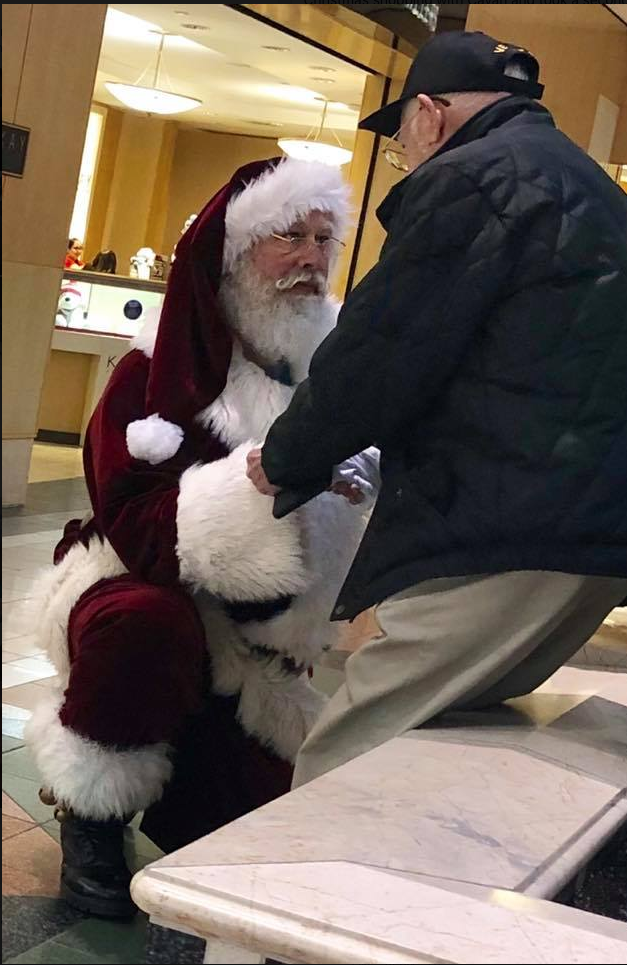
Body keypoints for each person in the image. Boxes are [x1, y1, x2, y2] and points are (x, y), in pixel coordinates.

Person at [247, 31, 627, 788]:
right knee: (443, 733)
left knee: (344, 758)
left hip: (524, 517)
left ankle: (265, 905)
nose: (408, 156)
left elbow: (384, 348)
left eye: (400, 143)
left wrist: (289, 457)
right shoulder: (587, 185)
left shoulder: (473, 179)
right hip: (610, 519)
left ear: (429, 113)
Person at [27, 157, 377, 919]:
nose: (312, 259)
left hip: (258, 648)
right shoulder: (148, 377)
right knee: (145, 623)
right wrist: (255, 480)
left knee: (255, 841)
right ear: (235, 250)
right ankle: (93, 815)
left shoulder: (331, 380)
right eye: (289, 235)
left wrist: (352, 491)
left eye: (325, 238)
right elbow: (138, 528)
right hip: (137, 597)